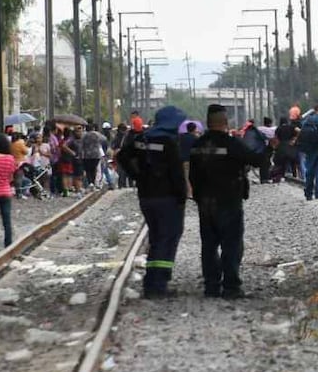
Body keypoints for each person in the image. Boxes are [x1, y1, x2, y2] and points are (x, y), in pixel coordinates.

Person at [189, 104, 275, 299]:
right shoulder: (232, 144)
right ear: (225, 123)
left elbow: (193, 174)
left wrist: (198, 195)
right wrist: (270, 148)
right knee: (232, 244)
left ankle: (211, 286)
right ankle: (231, 287)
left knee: (209, 245)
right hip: (228, 200)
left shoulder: (197, 145)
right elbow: (256, 160)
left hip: (205, 201)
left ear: (208, 122)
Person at [117, 106, 188, 299]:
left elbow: (122, 156)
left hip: (146, 195)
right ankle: (158, 285)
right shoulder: (170, 142)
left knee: (156, 238)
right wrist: (182, 197)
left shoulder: (142, 138)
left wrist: (136, 176)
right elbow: (176, 173)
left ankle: (151, 282)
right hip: (167, 197)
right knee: (168, 238)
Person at [81, 123, 106, 190]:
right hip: (96, 154)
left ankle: (90, 183)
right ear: (93, 128)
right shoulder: (97, 134)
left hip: (87, 155)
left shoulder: (84, 135)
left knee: (88, 169)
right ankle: (94, 182)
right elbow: (104, 139)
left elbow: (81, 144)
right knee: (94, 169)